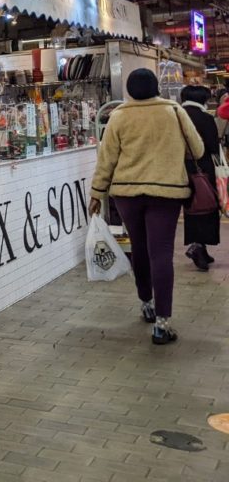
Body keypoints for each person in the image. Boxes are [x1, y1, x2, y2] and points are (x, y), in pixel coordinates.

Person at [89, 68, 204, 345]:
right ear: (157, 88)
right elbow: (197, 150)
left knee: (139, 249)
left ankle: (146, 304)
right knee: (161, 253)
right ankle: (163, 325)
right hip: (166, 193)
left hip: (127, 194)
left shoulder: (119, 116)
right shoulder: (174, 112)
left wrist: (96, 192)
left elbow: (107, 159)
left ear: (129, 90)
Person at [180, 85, 221, 271]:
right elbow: (213, 146)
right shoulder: (205, 118)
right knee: (207, 206)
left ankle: (201, 248)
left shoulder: (177, 115)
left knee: (191, 209)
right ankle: (198, 248)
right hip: (202, 169)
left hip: (181, 169)